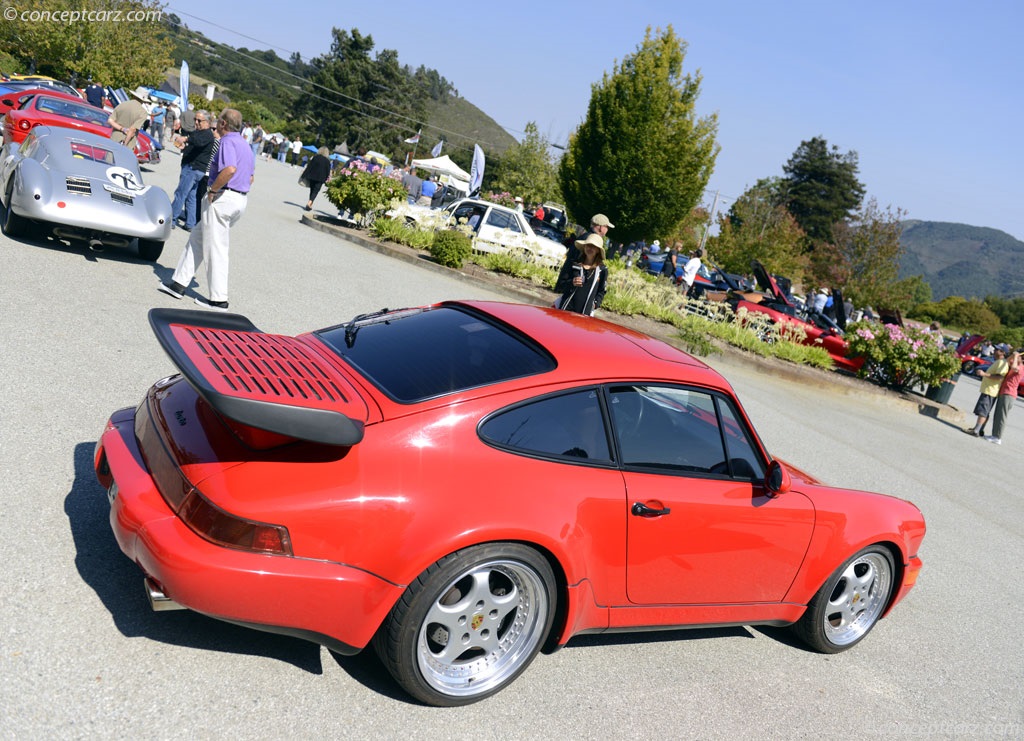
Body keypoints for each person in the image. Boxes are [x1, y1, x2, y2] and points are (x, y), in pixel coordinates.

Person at [158, 109, 254, 311]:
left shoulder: (227, 142)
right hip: (239, 198)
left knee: (216, 247)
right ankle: (179, 284)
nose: (216, 123)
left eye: (219, 120)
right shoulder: (245, 145)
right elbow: (250, 176)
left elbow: (230, 169)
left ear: (225, 124)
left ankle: (219, 299)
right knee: (198, 239)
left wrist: (213, 189)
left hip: (224, 197)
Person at [169, 110, 215, 231]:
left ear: (207, 122)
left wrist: (185, 139)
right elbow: (195, 142)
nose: (196, 122)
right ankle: (190, 223)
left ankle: (171, 219)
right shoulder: (199, 132)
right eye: (195, 119)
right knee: (191, 196)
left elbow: (198, 142)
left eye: (199, 120)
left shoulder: (206, 134)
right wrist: (185, 145)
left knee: (181, 194)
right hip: (194, 168)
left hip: (193, 168)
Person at [555, 233, 608, 316]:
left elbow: (601, 291)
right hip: (566, 307)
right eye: (588, 245)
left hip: (585, 312)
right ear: (584, 247)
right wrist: (572, 282)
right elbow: (561, 284)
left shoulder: (602, 270)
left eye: (593, 246)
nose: (590, 248)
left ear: (598, 250)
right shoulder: (574, 263)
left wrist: (595, 304)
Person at [964, 347, 1008, 437]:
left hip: (990, 390)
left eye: (997, 349)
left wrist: (984, 374)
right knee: (984, 412)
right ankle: (980, 429)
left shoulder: (1002, 362)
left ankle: (976, 430)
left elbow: (1000, 377)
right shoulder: (998, 361)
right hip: (989, 389)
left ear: (1003, 352)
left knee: (983, 412)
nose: (995, 350)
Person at [986, 350, 1022, 445]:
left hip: (1009, 394)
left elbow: (1014, 367)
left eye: (1018, 357)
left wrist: (1016, 357)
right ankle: (994, 435)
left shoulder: (1021, 367)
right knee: (998, 415)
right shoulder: (1015, 363)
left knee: (1002, 416)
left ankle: (998, 437)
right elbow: (1007, 360)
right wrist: (1013, 355)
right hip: (1004, 392)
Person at [300, 146, 332, 211]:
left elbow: (309, 166)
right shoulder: (327, 161)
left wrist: (304, 175)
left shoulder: (315, 157)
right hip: (321, 178)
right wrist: (327, 179)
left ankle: (310, 203)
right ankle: (309, 203)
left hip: (312, 176)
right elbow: (327, 171)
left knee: (312, 190)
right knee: (315, 191)